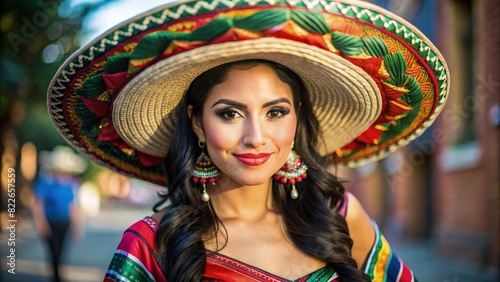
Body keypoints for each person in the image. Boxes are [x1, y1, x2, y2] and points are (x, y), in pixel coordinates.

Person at [47, 0, 450, 281]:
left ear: (297, 118)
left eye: (276, 112)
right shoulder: (150, 245)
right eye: (229, 113)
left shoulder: (341, 216)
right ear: (199, 123)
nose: (256, 138)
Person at [33, 146, 86, 282]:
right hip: (50, 222)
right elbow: (38, 204)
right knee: (54, 252)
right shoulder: (45, 181)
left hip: (65, 222)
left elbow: (74, 206)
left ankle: (57, 275)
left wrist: (77, 227)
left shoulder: (71, 183)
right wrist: (41, 224)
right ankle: (56, 277)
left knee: (61, 251)